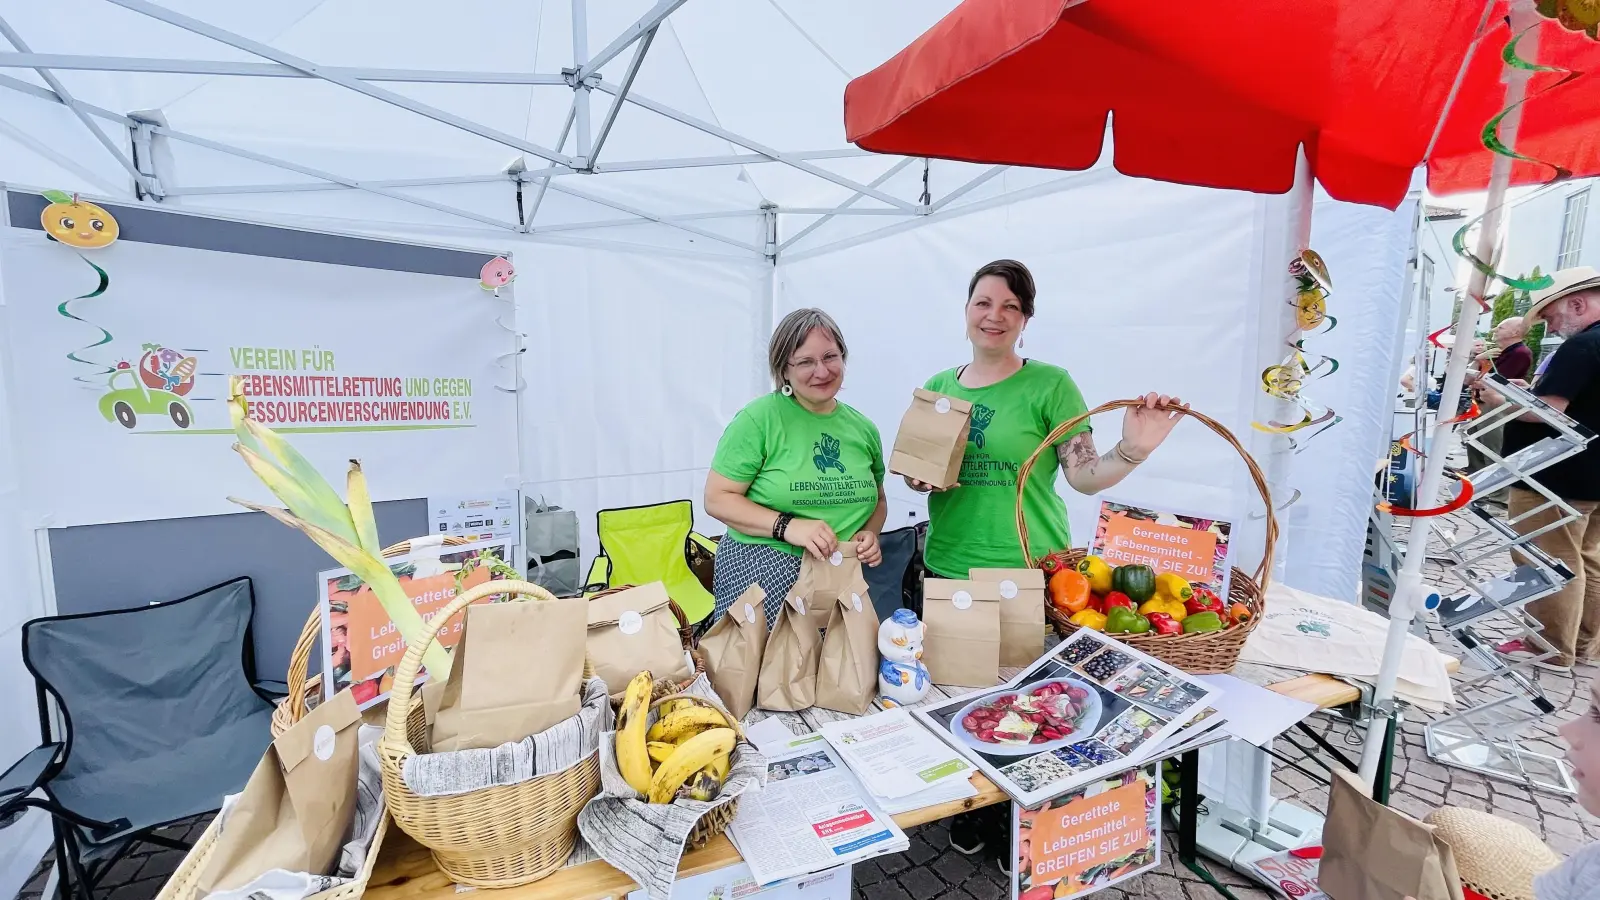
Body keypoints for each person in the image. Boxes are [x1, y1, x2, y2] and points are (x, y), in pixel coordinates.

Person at [904, 259, 1185, 863]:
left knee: (1032, 708)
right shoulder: (939, 387)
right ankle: (977, 809)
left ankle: (1018, 822)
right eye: (984, 302)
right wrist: (918, 476)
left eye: (1010, 306)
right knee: (962, 699)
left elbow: (1084, 475)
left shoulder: (1050, 385)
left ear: (1025, 319)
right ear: (966, 310)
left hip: (1030, 568)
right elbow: (921, 477)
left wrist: (1133, 447)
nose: (994, 316)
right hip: (952, 564)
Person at [704, 308, 887, 628]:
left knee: (836, 673)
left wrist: (869, 533)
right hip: (763, 576)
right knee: (763, 676)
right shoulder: (759, 419)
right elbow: (718, 498)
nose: (822, 370)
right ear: (783, 369)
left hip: (839, 579)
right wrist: (788, 526)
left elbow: (879, 500)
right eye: (805, 362)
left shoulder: (863, 428)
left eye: (831, 356)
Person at [1480, 267, 1600, 672]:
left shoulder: (1583, 346)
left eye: (1549, 317)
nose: (1550, 326)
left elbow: (1549, 412)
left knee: (1549, 559)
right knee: (1587, 558)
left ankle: (1548, 647)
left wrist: (1498, 399)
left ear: (1577, 303)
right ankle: (1583, 645)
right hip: (1593, 475)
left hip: (1559, 474)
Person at [1466, 316, 1533, 499]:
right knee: (1476, 446)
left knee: (1492, 449)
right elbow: (1470, 379)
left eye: (1501, 327)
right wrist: (1477, 359)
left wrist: (1479, 380)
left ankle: (1498, 496)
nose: (1495, 330)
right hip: (1481, 402)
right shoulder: (1497, 353)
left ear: (1515, 332)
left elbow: (1496, 382)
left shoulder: (1519, 353)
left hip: (1495, 406)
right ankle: (1478, 488)